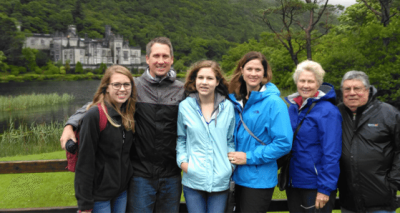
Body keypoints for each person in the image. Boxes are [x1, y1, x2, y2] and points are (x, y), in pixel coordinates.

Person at [60, 37, 185, 213]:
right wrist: (70, 124)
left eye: (166, 56)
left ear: (172, 59)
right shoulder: (133, 85)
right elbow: (97, 104)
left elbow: (207, 102)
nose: (161, 61)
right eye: (156, 55)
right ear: (147, 59)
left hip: (171, 174)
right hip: (141, 175)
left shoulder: (182, 90)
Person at [227, 51, 293, 213]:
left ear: (265, 73)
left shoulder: (274, 103)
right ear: (241, 70)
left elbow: (283, 143)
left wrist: (249, 157)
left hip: (258, 179)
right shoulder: (235, 100)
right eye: (249, 69)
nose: (253, 74)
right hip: (234, 176)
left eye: (258, 70)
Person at [176, 60, 235, 213]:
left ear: (217, 82)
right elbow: (181, 138)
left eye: (209, 78)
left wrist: (229, 167)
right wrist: (183, 162)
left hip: (220, 179)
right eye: (200, 78)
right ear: (194, 81)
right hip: (193, 179)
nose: (204, 82)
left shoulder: (228, 107)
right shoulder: (185, 106)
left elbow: (230, 140)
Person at [75, 65, 136, 213]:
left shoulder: (127, 113)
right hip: (99, 195)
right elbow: (85, 161)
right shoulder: (95, 115)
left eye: (126, 84)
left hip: (121, 192)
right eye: (116, 84)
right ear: (106, 87)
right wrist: (84, 203)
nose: (122, 89)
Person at [337, 71, 400, 213]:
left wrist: (394, 182)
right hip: (348, 202)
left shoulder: (388, 114)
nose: (352, 93)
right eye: (347, 89)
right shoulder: (337, 114)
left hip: (381, 201)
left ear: (367, 90)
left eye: (357, 88)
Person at [284, 60, 342, 212]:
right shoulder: (293, 109)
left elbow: (331, 152)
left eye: (311, 81)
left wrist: (325, 188)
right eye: (302, 80)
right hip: (294, 181)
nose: (305, 85)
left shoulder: (328, 111)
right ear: (297, 82)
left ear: (318, 84)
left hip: (315, 184)